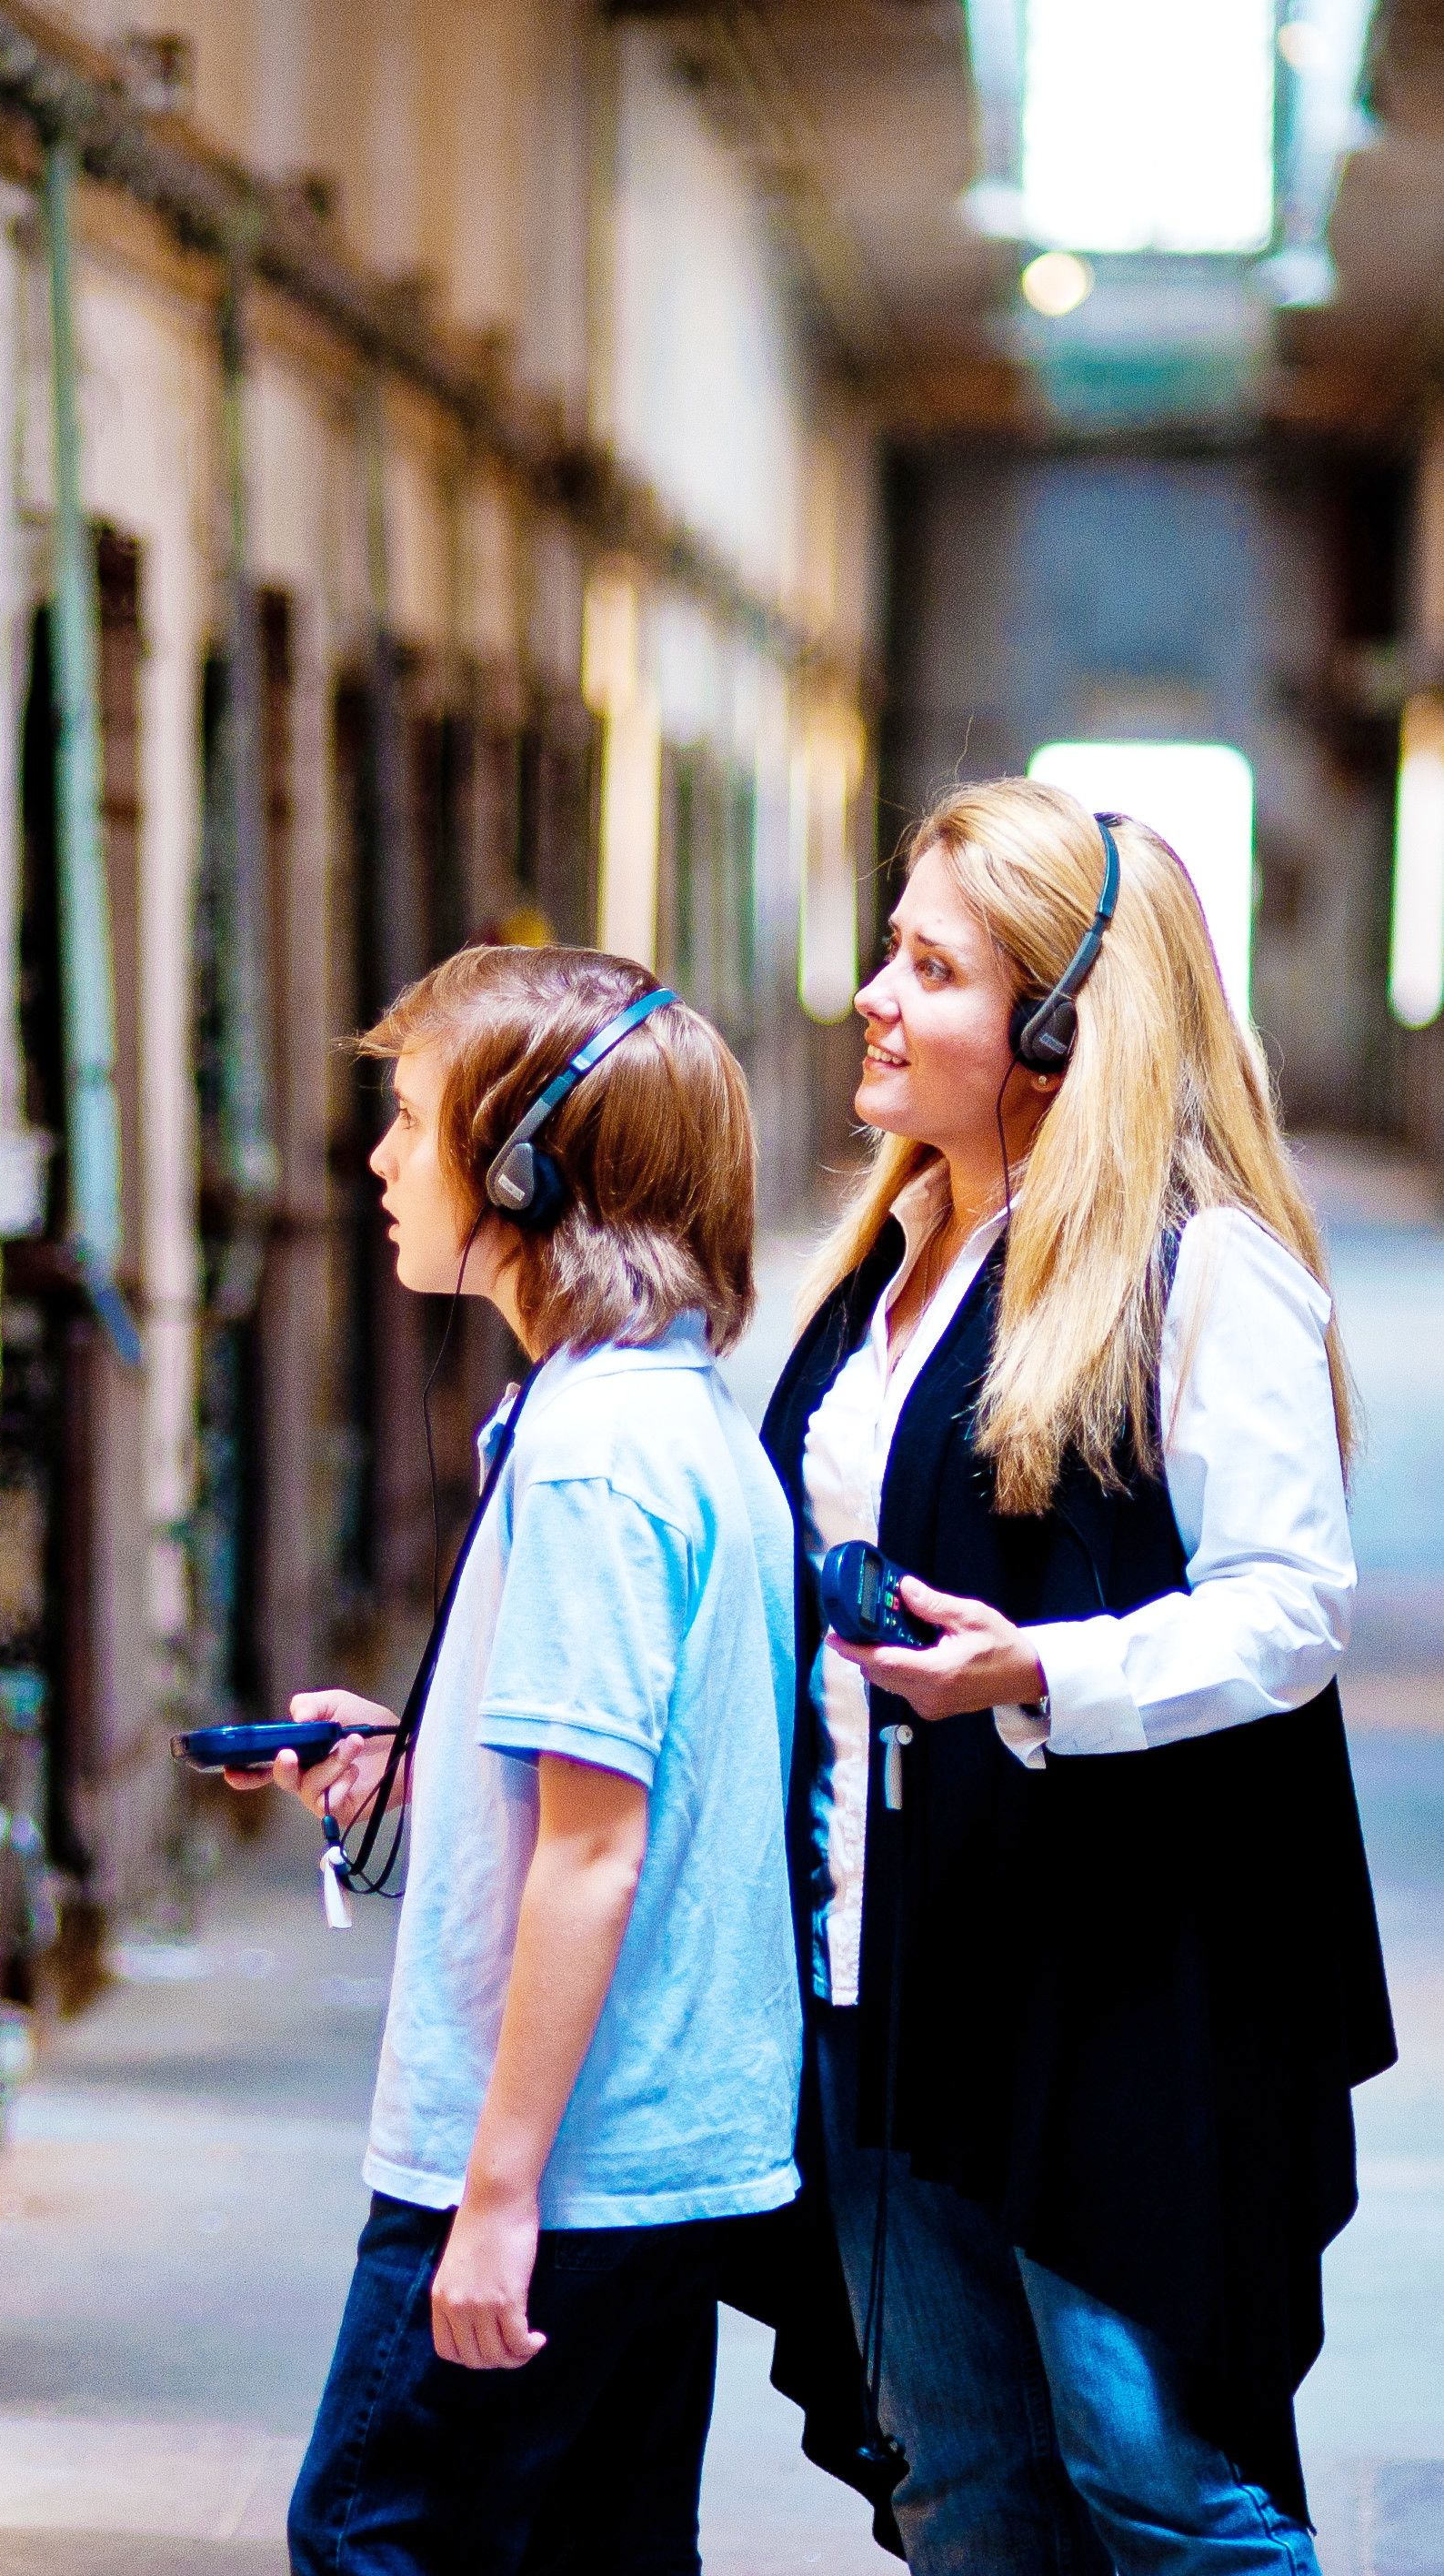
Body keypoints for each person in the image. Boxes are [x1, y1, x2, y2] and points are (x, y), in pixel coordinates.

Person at [758, 778, 1393, 2574]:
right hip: (884, 1970)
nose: (876, 994)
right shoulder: (880, 1269)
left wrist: (1048, 1673)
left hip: (1108, 1984)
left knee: (1161, 2498)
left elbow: (1289, 1606)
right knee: (961, 2491)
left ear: (1049, 1032)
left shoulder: (1203, 1275)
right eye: (893, 951)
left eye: (930, 968)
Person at [238, 944, 802, 2576]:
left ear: (520, 1169)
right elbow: (625, 1794)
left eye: (406, 1121)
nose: (374, 1161)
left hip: (557, 2158)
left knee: (367, 2532)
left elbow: (596, 1852)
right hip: (646, 2153)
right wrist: (415, 1774)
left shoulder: (589, 1465)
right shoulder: (661, 1414)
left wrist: (493, 2201)